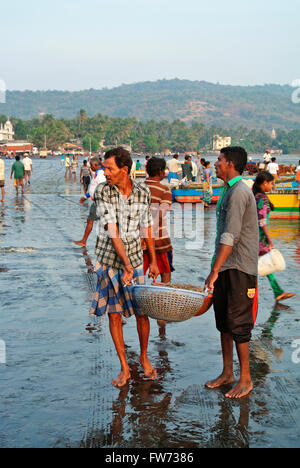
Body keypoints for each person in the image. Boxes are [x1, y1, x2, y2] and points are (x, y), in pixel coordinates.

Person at [91, 147, 159, 388]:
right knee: (114, 312)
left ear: (125, 170)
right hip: (109, 260)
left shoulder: (143, 192)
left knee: (142, 311)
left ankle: (143, 357)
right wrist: (126, 265)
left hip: (137, 261)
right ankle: (124, 366)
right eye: (104, 168)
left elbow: (147, 227)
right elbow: (112, 231)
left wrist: (152, 260)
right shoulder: (102, 191)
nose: (105, 172)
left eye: (109, 168)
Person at [205, 146, 259, 399]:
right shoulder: (228, 190)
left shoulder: (239, 192)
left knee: (239, 325)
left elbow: (231, 235)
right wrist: (216, 266)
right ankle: (227, 373)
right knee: (224, 323)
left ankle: (245, 378)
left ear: (230, 164)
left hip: (239, 268)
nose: (216, 164)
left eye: (219, 160)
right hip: (226, 265)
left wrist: (214, 270)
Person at [253, 171, 295, 302]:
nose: (272, 186)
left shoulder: (256, 196)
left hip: (255, 236)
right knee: (262, 264)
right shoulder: (262, 198)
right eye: (271, 183)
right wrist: (269, 239)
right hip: (259, 237)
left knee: (263, 263)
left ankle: (277, 291)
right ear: (264, 183)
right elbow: (262, 221)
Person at [143, 157, 175, 331]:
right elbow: (160, 215)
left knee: (137, 276)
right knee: (165, 274)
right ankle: (161, 315)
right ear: (161, 171)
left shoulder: (137, 187)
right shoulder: (164, 189)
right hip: (159, 241)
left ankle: (132, 310)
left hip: (138, 240)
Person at [74, 157, 106, 247]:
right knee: (95, 221)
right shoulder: (96, 174)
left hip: (99, 202)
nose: (90, 167)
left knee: (91, 221)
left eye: (91, 165)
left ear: (96, 165)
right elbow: (93, 189)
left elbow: (101, 188)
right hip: (96, 201)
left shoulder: (101, 175)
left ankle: (84, 241)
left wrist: (86, 197)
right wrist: (85, 196)